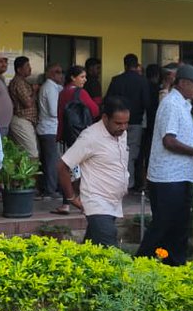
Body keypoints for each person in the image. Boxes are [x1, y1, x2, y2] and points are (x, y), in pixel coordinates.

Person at [140, 64, 193, 266]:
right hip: (167, 178)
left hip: (181, 176)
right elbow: (169, 141)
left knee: (179, 226)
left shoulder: (183, 105)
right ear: (182, 83)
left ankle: (174, 265)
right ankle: (138, 263)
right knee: (163, 225)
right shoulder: (171, 104)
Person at [58, 96, 131, 247]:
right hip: (97, 203)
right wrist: (71, 197)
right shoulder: (90, 137)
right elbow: (63, 166)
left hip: (114, 203)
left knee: (91, 252)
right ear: (105, 118)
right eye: (118, 123)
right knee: (111, 253)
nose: (123, 127)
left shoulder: (121, 133)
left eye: (126, 123)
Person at [52, 65, 100, 215]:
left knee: (68, 169)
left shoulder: (62, 93)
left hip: (67, 135)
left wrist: (59, 135)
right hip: (80, 135)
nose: (85, 80)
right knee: (81, 170)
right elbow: (95, 110)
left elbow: (59, 115)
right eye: (82, 77)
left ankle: (66, 203)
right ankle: (82, 202)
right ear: (73, 77)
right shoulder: (81, 92)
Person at [104, 54, 151, 191]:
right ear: (137, 66)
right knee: (130, 153)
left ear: (124, 65)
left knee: (115, 151)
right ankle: (127, 184)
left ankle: (116, 181)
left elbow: (108, 100)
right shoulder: (142, 81)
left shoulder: (116, 80)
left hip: (116, 122)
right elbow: (147, 102)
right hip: (135, 122)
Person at [36, 63, 64, 199]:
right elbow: (53, 111)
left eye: (60, 72)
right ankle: (50, 190)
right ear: (50, 74)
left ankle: (48, 188)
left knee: (49, 160)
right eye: (57, 72)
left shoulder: (52, 87)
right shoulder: (50, 88)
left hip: (47, 128)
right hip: (49, 128)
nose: (60, 74)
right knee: (51, 161)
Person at [7, 56, 39, 157]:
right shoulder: (18, 82)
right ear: (19, 69)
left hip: (26, 122)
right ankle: (30, 173)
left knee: (23, 153)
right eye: (27, 66)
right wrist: (34, 91)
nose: (30, 68)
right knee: (32, 154)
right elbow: (28, 103)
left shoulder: (24, 82)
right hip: (22, 120)